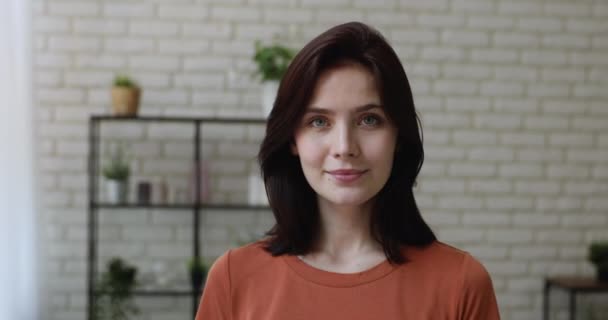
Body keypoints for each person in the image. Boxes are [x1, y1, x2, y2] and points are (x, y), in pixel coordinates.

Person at [196, 21, 500, 319]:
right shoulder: (235, 279)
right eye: (319, 121)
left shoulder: (461, 284)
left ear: (398, 136)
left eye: (369, 120)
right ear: (292, 139)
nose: (344, 146)